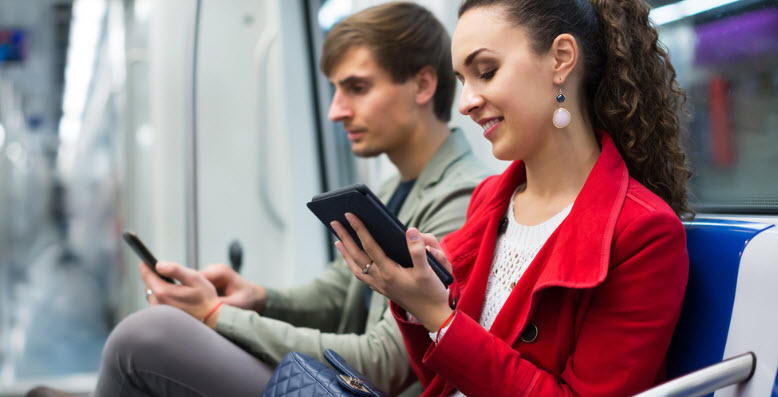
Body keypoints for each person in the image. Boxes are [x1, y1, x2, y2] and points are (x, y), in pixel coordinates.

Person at [26, 3, 490, 397]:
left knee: (144, 337)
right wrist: (257, 299)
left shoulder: (460, 198)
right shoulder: (396, 187)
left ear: (423, 86)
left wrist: (215, 316)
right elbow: (333, 295)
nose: (335, 110)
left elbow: (386, 362)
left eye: (357, 88)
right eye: (333, 90)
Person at [332, 0, 693, 396]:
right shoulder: (489, 199)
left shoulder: (644, 234)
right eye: (463, 80)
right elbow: (440, 381)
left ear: (561, 59)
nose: (466, 102)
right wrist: (419, 305)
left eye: (486, 72)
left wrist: (439, 317)